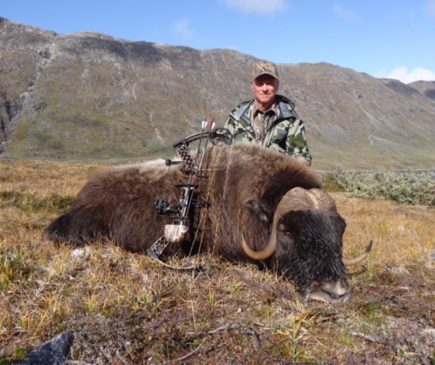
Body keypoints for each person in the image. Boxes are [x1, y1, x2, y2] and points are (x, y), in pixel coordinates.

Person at [224, 61, 312, 165]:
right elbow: (221, 153)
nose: (264, 89)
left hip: (278, 179)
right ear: (252, 86)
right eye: (260, 84)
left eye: (269, 83)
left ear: (277, 85)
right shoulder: (236, 118)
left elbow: (302, 159)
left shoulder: (291, 120)